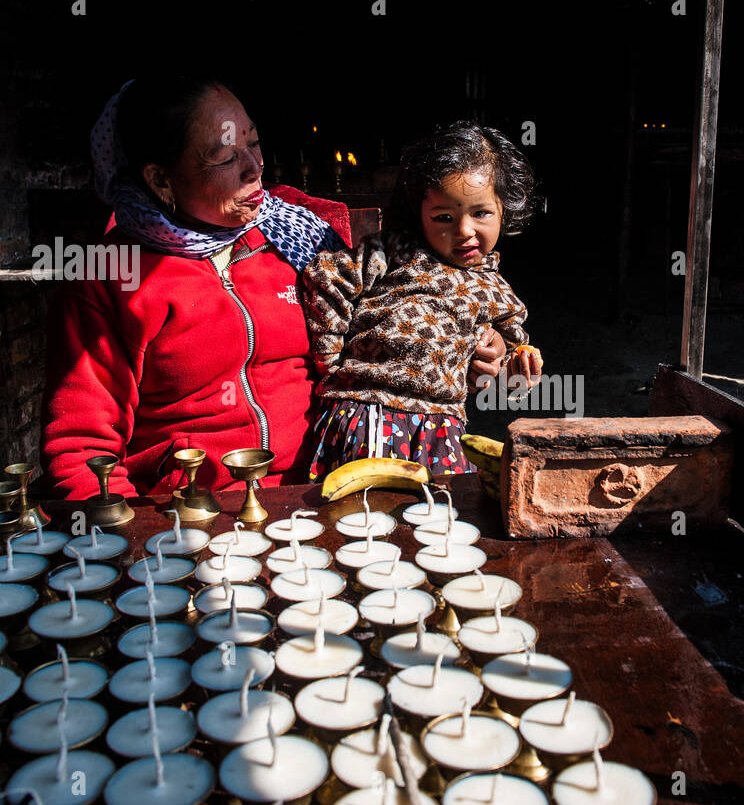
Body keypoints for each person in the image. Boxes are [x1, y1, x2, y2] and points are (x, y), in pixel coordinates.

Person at [42, 78, 505, 499]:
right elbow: (81, 453)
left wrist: (481, 350)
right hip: (192, 509)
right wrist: (141, 544)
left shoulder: (299, 241)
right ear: (161, 179)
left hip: (325, 484)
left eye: (255, 143)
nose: (254, 167)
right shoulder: (113, 277)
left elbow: (397, 340)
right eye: (225, 157)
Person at [301, 121, 544, 480]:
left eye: (481, 213)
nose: (463, 231)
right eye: (444, 217)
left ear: (504, 209)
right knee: (360, 518)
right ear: (419, 213)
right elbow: (328, 277)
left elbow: (505, 373)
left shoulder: (500, 294)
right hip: (363, 413)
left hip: (440, 428)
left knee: (438, 521)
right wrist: (330, 360)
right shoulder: (393, 252)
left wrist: (517, 372)